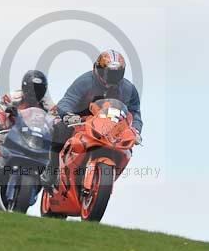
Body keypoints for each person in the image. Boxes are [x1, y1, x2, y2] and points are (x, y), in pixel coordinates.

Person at [42, 49, 142, 188]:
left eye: (116, 73)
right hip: (82, 121)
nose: (111, 77)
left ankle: (107, 177)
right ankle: (51, 170)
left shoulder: (128, 89)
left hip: (112, 127)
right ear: (98, 68)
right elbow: (67, 101)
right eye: (107, 72)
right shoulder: (85, 81)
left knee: (128, 146)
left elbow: (135, 112)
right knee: (59, 128)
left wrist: (136, 130)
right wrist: (68, 115)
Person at [0, 70, 55, 200]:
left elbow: (55, 119)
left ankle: (43, 187)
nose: (34, 94)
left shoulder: (48, 104)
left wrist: (59, 129)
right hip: (7, 134)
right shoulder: (12, 97)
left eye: (38, 90)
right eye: (31, 90)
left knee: (54, 162)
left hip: (35, 140)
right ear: (24, 87)